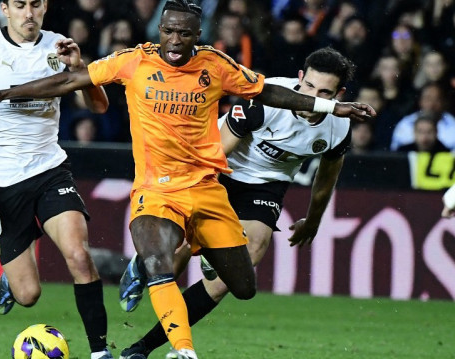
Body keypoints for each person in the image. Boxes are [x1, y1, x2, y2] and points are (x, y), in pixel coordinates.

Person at [0, 2, 375, 358]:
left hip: (219, 187)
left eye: (184, 33)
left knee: (243, 284)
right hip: (170, 183)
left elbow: (279, 109)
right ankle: (175, 348)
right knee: (162, 259)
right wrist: (6, 94)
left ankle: (156, 273)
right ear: (158, 30)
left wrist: (331, 113)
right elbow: (69, 81)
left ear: (198, 36)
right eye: (168, 31)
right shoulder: (134, 60)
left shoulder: (215, 65)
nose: (175, 40)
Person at [117, 47, 357, 359]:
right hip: (215, 168)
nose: (314, 97)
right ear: (299, 78)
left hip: (267, 185)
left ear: (339, 94)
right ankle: (146, 263)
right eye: (309, 86)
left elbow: (326, 178)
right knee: (172, 262)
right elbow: (217, 151)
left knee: (235, 269)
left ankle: (142, 350)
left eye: (325, 92)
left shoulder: (339, 126)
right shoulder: (267, 100)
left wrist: (313, 221)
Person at [0, 1, 113, 358]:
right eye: (20, 5)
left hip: (49, 171)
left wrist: (81, 68)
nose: (29, 13)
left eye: (35, 4)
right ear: (5, 9)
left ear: (45, 7)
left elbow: (98, 106)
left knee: (79, 256)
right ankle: (13, 279)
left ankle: (100, 352)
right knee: (28, 295)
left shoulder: (60, 47)